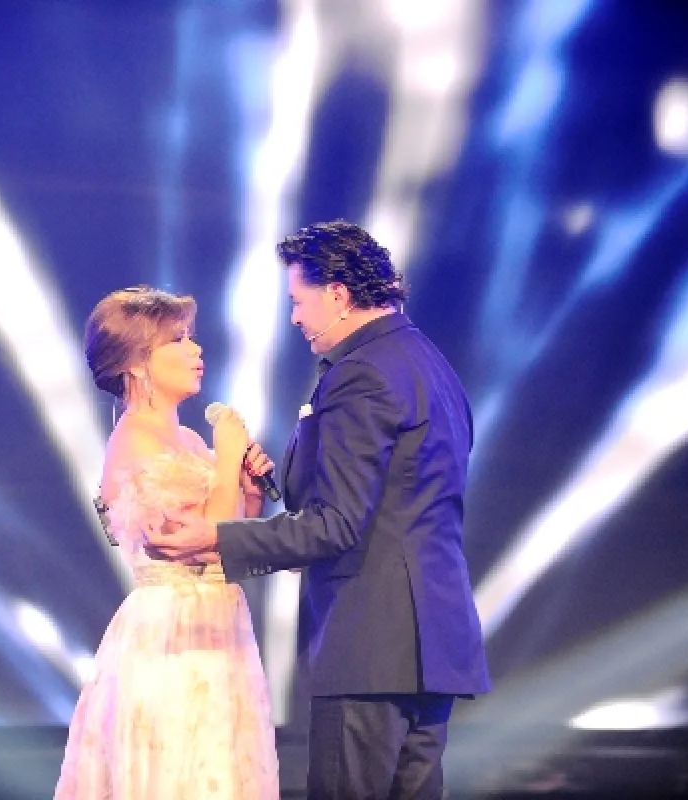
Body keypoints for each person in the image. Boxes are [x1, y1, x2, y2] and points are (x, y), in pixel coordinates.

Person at [148, 221, 491, 799]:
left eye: (298, 301)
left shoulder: (362, 375)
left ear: (337, 294)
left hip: (371, 646)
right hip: (433, 643)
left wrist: (219, 538)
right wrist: (278, 483)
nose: (294, 318)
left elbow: (336, 524)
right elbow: (393, 499)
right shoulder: (428, 364)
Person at [54, 286, 279, 799]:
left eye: (191, 337)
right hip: (174, 635)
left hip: (218, 624)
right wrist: (229, 457)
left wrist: (248, 492)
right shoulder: (134, 439)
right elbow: (191, 542)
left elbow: (228, 537)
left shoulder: (191, 441)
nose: (195, 349)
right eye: (177, 340)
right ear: (137, 363)